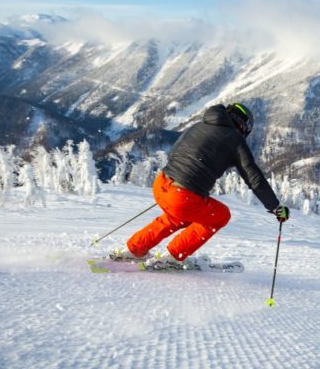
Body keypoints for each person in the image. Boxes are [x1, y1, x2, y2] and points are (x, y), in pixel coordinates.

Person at [116, 103, 289, 268]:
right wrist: (275, 207)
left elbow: (178, 150)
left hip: (162, 183)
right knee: (221, 215)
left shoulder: (199, 125)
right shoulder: (235, 139)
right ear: (243, 126)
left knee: (175, 217)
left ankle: (134, 250)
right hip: (182, 195)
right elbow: (254, 177)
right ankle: (173, 257)